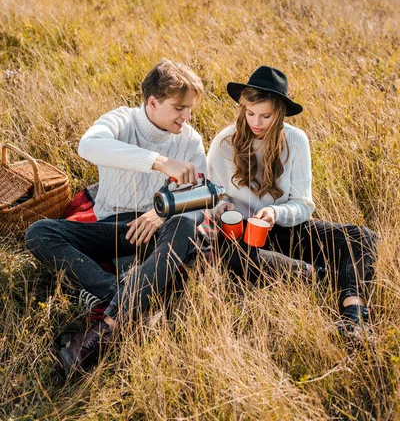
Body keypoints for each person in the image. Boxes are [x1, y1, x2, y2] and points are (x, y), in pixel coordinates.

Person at [25, 58, 206, 373]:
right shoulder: (122, 121)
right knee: (39, 233)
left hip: (157, 233)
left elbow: (204, 198)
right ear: (152, 102)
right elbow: (89, 146)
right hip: (112, 225)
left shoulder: (190, 140)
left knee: (183, 224)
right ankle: (121, 298)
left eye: (189, 108)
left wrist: (161, 213)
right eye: (179, 108)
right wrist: (161, 162)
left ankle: (106, 321)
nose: (186, 116)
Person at [207, 65, 378, 339]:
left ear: (280, 114)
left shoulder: (296, 140)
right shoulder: (224, 142)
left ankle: (353, 317)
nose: (256, 122)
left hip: (285, 228)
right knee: (234, 258)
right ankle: (322, 276)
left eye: (265, 115)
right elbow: (211, 194)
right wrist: (220, 207)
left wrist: (275, 213)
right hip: (241, 236)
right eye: (250, 113)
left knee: (362, 238)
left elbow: (302, 204)